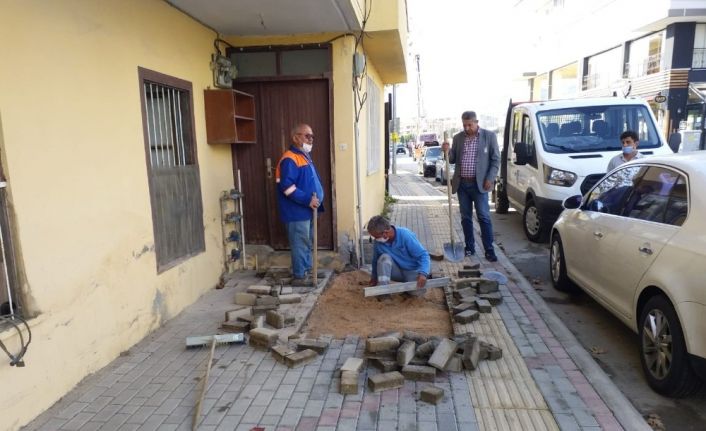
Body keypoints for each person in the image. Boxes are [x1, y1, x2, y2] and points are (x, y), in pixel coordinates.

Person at [441, 111, 500, 262]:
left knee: (484, 217)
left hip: (480, 184)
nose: (467, 128)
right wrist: (446, 151)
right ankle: (469, 248)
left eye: (470, 125)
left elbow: (495, 160)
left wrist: (490, 178)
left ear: (476, 122)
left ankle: (489, 250)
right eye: (464, 125)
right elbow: (452, 159)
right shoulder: (458, 138)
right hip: (462, 184)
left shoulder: (489, 137)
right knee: (465, 218)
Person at [275, 123, 324, 286]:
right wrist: (307, 199)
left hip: (306, 210)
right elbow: (287, 187)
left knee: (306, 242)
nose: (311, 139)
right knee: (300, 243)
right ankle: (299, 276)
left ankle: (308, 270)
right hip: (296, 211)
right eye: (307, 136)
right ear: (296, 138)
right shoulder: (290, 159)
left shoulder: (303, 156)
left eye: (312, 136)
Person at [367, 215, 430, 297]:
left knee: (417, 293)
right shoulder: (378, 243)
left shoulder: (405, 235)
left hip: (412, 271)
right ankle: (383, 293)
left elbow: (423, 255)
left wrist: (423, 273)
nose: (375, 239)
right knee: (384, 258)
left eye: (376, 237)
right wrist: (374, 277)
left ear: (385, 233)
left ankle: (408, 290)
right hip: (397, 272)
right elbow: (375, 261)